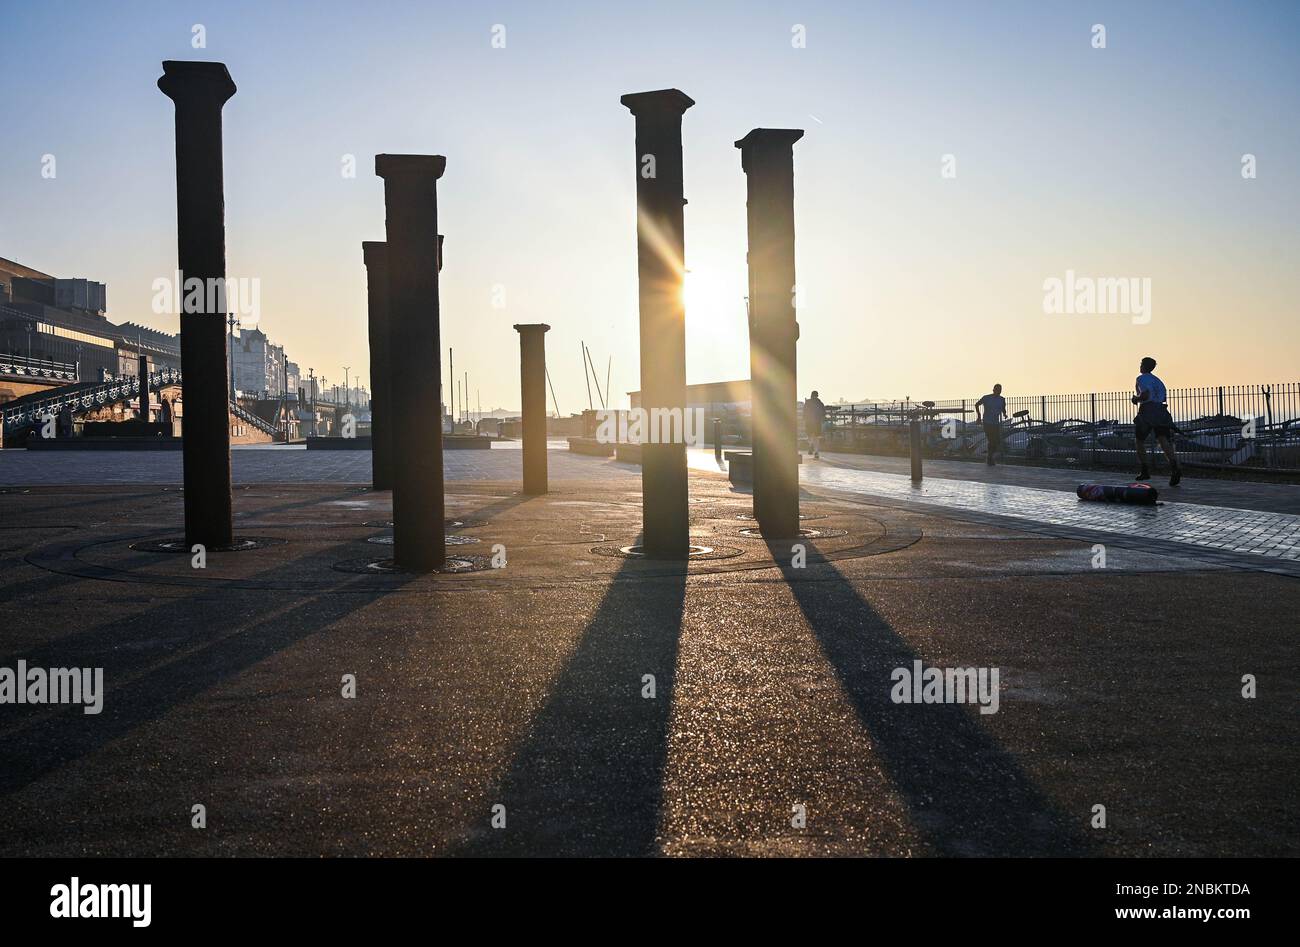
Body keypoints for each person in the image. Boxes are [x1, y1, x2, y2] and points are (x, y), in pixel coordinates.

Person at [1133, 356, 1182, 486]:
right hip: (1161, 410)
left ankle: (1145, 470)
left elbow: (1145, 394)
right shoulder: (1158, 381)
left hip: (1147, 411)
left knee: (1139, 441)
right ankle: (1174, 468)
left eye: (1141, 363)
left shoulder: (1141, 378)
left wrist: (1136, 399)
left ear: (1143, 366)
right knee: (1163, 440)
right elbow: (1162, 396)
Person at [975, 383, 1008, 465]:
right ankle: (989, 458)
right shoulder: (986, 398)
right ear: (993, 390)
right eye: (997, 389)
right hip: (987, 422)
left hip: (996, 423)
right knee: (991, 440)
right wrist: (979, 416)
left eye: (1000, 390)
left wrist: (1004, 414)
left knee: (996, 441)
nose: (998, 391)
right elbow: (977, 404)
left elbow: (1003, 408)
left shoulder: (1002, 399)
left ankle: (990, 457)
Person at [803, 390, 826, 458]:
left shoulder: (807, 402)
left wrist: (805, 419)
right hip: (817, 422)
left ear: (811, 395)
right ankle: (816, 452)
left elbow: (804, 412)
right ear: (817, 395)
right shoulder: (820, 403)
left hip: (809, 422)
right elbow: (823, 413)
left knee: (809, 435)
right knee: (817, 437)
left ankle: (810, 445)